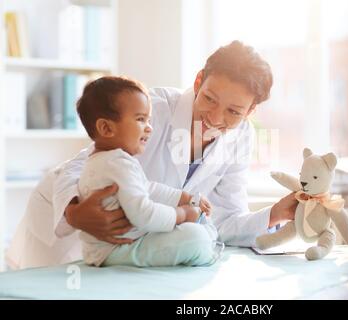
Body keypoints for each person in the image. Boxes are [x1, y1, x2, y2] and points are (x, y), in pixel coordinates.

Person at [6, 40, 298, 269]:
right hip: (63, 222)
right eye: (209, 98)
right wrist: (74, 212)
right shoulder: (152, 109)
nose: (215, 117)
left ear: (250, 112)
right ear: (198, 81)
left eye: (234, 111)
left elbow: (223, 219)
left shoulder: (241, 136)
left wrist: (274, 214)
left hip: (124, 242)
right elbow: (81, 165)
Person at [75, 76, 219, 267]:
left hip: (115, 246)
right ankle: (207, 253)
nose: (150, 128)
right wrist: (181, 214)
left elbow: (146, 188)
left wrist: (182, 197)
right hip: (116, 250)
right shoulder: (117, 163)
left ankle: (206, 242)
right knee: (194, 238)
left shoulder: (109, 160)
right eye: (141, 119)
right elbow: (143, 214)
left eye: (149, 120)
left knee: (195, 232)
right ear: (106, 128)